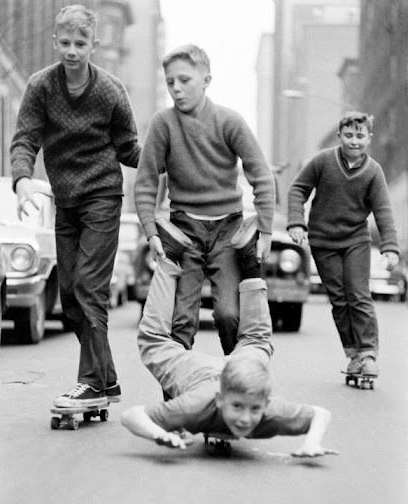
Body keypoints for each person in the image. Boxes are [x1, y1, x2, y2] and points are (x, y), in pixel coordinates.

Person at [10, 4, 141, 409]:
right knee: (69, 295)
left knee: (88, 287)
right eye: (65, 42)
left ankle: (89, 382)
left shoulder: (110, 91)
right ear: (55, 42)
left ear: (93, 46)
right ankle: (107, 380)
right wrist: (22, 179)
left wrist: (171, 156)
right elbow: (25, 139)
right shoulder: (41, 87)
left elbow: (130, 149)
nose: (71, 51)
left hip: (102, 195)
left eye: (80, 43)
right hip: (64, 200)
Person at [121, 228, 336, 458]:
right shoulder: (197, 405)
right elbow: (131, 416)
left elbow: (319, 414)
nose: (245, 418)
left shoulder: (269, 411)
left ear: (266, 403)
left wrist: (313, 443)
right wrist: (159, 433)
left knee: (256, 340)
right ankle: (248, 262)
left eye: (255, 409)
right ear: (220, 400)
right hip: (199, 375)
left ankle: (172, 256)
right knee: (253, 339)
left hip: (242, 370)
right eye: (237, 407)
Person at [134, 43, 276, 356]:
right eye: (170, 82)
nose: (176, 89)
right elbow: (145, 181)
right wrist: (151, 231)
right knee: (180, 321)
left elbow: (262, 176)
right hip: (184, 232)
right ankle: (179, 397)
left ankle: (236, 389)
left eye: (184, 80)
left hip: (228, 231)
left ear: (206, 80)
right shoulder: (163, 124)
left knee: (229, 315)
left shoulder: (230, 121)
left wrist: (265, 231)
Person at [287, 111, 399, 378]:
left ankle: (368, 354)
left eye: (360, 136)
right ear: (339, 136)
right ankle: (352, 354)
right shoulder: (323, 161)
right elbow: (297, 189)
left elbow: (383, 210)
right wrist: (295, 222)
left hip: (356, 240)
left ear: (369, 138)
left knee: (359, 295)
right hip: (323, 241)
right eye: (348, 135)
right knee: (339, 299)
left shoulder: (373, 172)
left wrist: (390, 247)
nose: (354, 141)